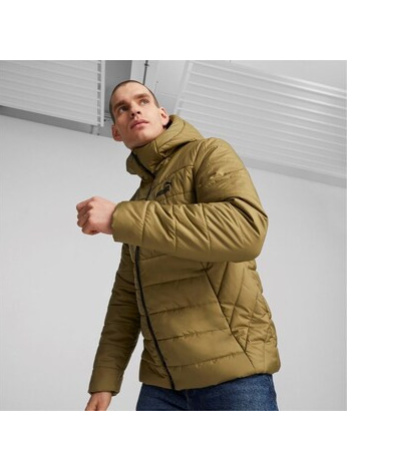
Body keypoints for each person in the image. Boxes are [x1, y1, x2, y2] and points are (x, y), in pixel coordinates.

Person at [76, 80, 281, 411]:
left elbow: (246, 231)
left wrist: (119, 218)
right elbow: (126, 299)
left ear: (162, 115)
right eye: (122, 108)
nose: (134, 110)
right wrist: (104, 382)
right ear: (116, 132)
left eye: (142, 101)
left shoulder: (208, 152)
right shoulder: (137, 203)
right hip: (162, 385)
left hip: (234, 375)